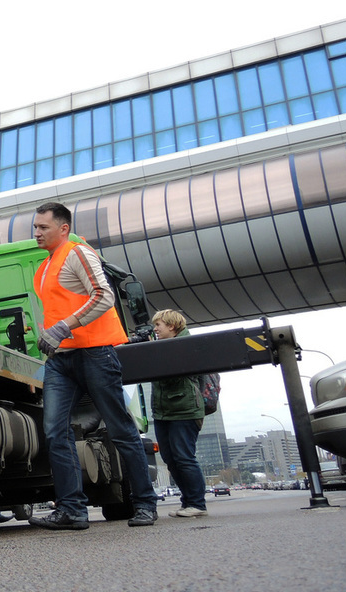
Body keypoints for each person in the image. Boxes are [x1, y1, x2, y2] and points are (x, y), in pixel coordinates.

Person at [27, 201, 158, 530]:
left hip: (96, 354)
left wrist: (62, 327)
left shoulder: (78, 253)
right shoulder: (43, 268)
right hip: (60, 361)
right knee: (55, 433)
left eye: (43, 227)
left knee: (121, 431)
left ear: (63, 228)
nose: (37, 232)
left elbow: (104, 296)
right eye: (36, 226)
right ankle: (72, 510)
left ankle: (144, 504)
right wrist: (46, 348)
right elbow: (54, 314)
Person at [150, 308, 209, 518]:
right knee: (171, 459)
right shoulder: (162, 346)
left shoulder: (185, 346)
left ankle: (197, 504)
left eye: (159, 325)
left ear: (172, 326)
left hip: (185, 410)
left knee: (184, 457)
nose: (155, 329)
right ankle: (188, 502)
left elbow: (174, 377)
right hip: (164, 412)